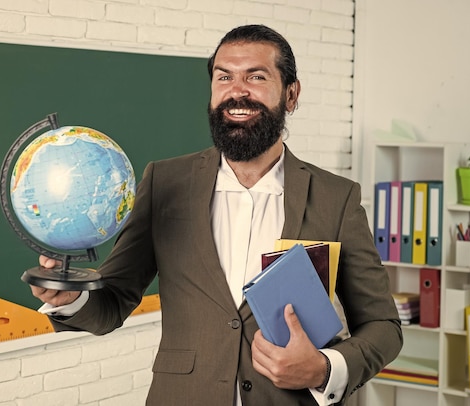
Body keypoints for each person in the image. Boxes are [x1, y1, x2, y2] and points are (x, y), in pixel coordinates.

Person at [31, 24, 402, 406]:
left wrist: (325, 368)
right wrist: (73, 299)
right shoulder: (165, 183)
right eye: (224, 77)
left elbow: (383, 326)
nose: (237, 91)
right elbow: (112, 304)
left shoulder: (335, 198)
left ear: (291, 95)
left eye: (256, 77)